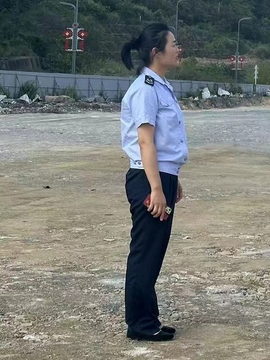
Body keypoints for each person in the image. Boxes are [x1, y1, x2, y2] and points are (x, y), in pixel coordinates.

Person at [120, 23, 187, 341]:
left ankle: (149, 317)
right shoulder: (146, 88)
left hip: (161, 176)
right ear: (156, 52)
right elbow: (146, 141)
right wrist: (158, 189)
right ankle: (139, 324)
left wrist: (173, 178)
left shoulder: (160, 85)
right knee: (145, 252)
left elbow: (165, 142)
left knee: (153, 252)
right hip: (149, 180)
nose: (179, 48)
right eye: (174, 43)